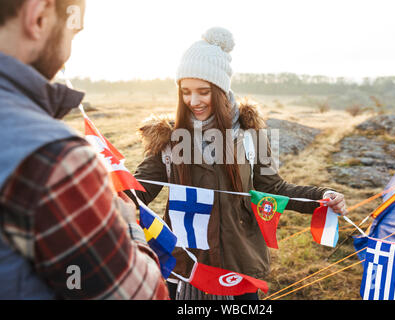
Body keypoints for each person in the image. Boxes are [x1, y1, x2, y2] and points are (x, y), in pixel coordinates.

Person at [131, 27, 347, 300]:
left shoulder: (251, 136)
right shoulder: (170, 139)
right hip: (185, 265)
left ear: (221, 90)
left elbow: (275, 188)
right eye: (186, 92)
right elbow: (139, 189)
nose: (193, 101)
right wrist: (113, 192)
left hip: (239, 263)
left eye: (203, 91)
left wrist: (320, 197)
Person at [0, 0, 169, 300]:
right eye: (72, 33)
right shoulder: (53, 158)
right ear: (39, 15)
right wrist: (129, 226)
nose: (68, 52)